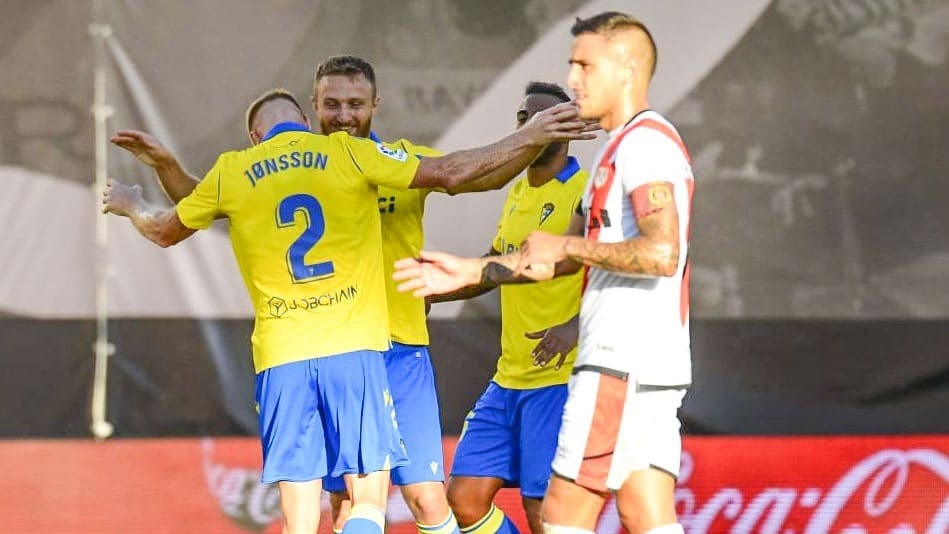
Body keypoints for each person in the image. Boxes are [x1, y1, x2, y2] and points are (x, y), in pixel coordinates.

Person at [108, 55, 572, 534]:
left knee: (423, 498)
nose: (345, 115)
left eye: (355, 103)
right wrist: (531, 135)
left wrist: (529, 140)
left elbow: (477, 174)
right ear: (312, 111)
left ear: (375, 104)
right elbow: (205, 202)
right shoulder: (335, 161)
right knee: (348, 500)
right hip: (351, 348)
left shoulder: (384, 158)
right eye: (333, 104)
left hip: (386, 348)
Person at [392, 12, 694, 534]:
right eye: (570, 65)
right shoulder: (608, 157)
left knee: (557, 518)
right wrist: (463, 271)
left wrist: (571, 283)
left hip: (605, 367)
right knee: (642, 516)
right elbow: (551, 257)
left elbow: (662, 251)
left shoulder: (643, 145)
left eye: (585, 65)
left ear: (625, 69)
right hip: (562, 372)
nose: (575, 79)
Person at [427, 81, 587, 534]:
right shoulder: (517, 193)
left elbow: (605, 271)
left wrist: (576, 324)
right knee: (464, 499)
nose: (530, 126)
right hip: (509, 377)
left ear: (568, 128)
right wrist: (434, 290)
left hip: (560, 378)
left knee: (546, 515)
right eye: (523, 118)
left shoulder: (584, 191)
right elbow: (491, 265)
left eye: (543, 118)